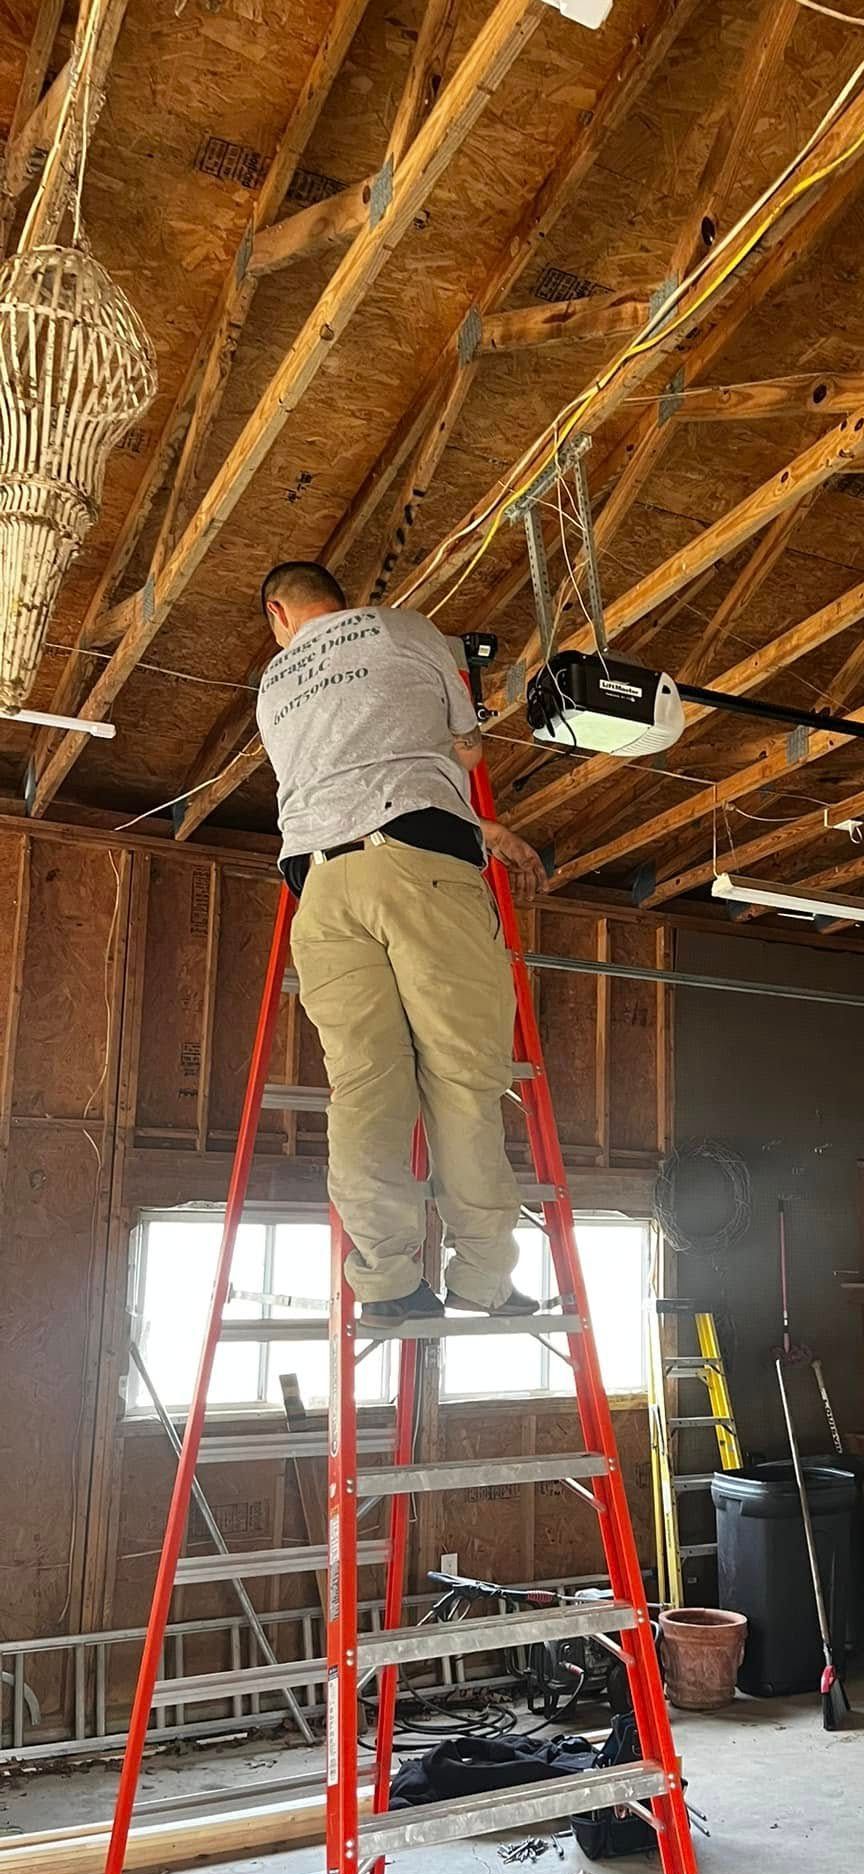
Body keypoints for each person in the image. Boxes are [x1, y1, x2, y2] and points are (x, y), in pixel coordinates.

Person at [256, 561, 547, 1328]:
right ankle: (482, 1281)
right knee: (461, 1083)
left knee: (363, 1094)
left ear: (279, 614)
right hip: (421, 876)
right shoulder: (403, 629)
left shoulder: (275, 684)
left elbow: (353, 783)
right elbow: (466, 751)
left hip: (319, 894)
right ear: (335, 599)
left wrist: (477, 825)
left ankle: (386, 1282)